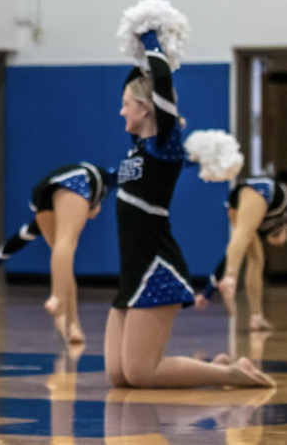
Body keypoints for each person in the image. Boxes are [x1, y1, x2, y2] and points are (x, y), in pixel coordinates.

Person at [104, 30, 272, 388]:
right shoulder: (136, 147)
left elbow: (161, 81)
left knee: (141, 373)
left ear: (146, 108)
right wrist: (137, 56)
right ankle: (223, 364)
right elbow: (145, 79)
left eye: (126, 104)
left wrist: (150, 37)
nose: (121, 110)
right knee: (119, 376)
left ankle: (231, 374)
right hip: (131, 270)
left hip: (155, 266)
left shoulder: (164, 147)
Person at [0, 163, 113, 344]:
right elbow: (114, 178)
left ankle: (72, 324)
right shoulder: (100, 184)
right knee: (67, 243)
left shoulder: (64, 202)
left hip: (41, 193)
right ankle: (56, 297)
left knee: (63, 262)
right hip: (76, 181)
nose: (91, 216)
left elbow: (24, 235)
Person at [198, 172, 287, 332]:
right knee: (244, 233)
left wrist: (208, 292)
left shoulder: (263, 225)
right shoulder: (280, 217)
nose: (281, 244)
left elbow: (230, 254)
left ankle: (256, 317)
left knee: (256, 260)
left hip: (237, 201)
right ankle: (231, 277)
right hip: (261, 190)